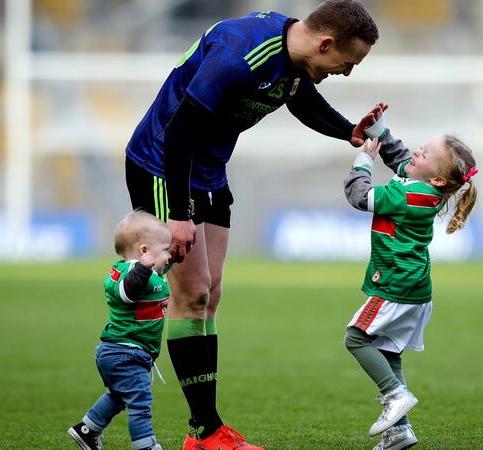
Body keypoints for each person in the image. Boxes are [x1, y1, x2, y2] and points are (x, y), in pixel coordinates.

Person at [123, 1, 380, 449]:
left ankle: (206, 431)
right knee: (193, 293)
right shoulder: (240, 56)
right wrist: (178, 217)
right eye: (348, 61)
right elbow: (180, 129)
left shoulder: (294, 56)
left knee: (211, 292)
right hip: (162, 165)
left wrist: (348, 132)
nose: (347, 72)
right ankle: (204, 431)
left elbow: (297, 95)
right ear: (326, 43)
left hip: (207, 170)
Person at [343, 104, 479, 450]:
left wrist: (363, 162)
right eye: (423, 146)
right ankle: (399, 432)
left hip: (395, 286)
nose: (417, 152)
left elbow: (360, 197)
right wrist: (381, 131)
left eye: (426, 153)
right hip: (414, 288)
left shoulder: (407, 195)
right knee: (389, 353)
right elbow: (402, 159)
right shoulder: (426, 190)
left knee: (356, 338)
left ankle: (395, 395)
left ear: (437, 178)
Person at [68, 211, 172, 450]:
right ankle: (145, 445)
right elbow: (129, 291)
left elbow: (157, 272)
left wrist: (169, 258)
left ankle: (87, 429)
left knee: (119, 395)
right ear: (145, 252)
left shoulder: (149, 271)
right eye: (166, 250)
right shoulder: (129, 274)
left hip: (127, 353)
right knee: (139, 401)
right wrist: (144, 270)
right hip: (124, 354)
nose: (168, 256)